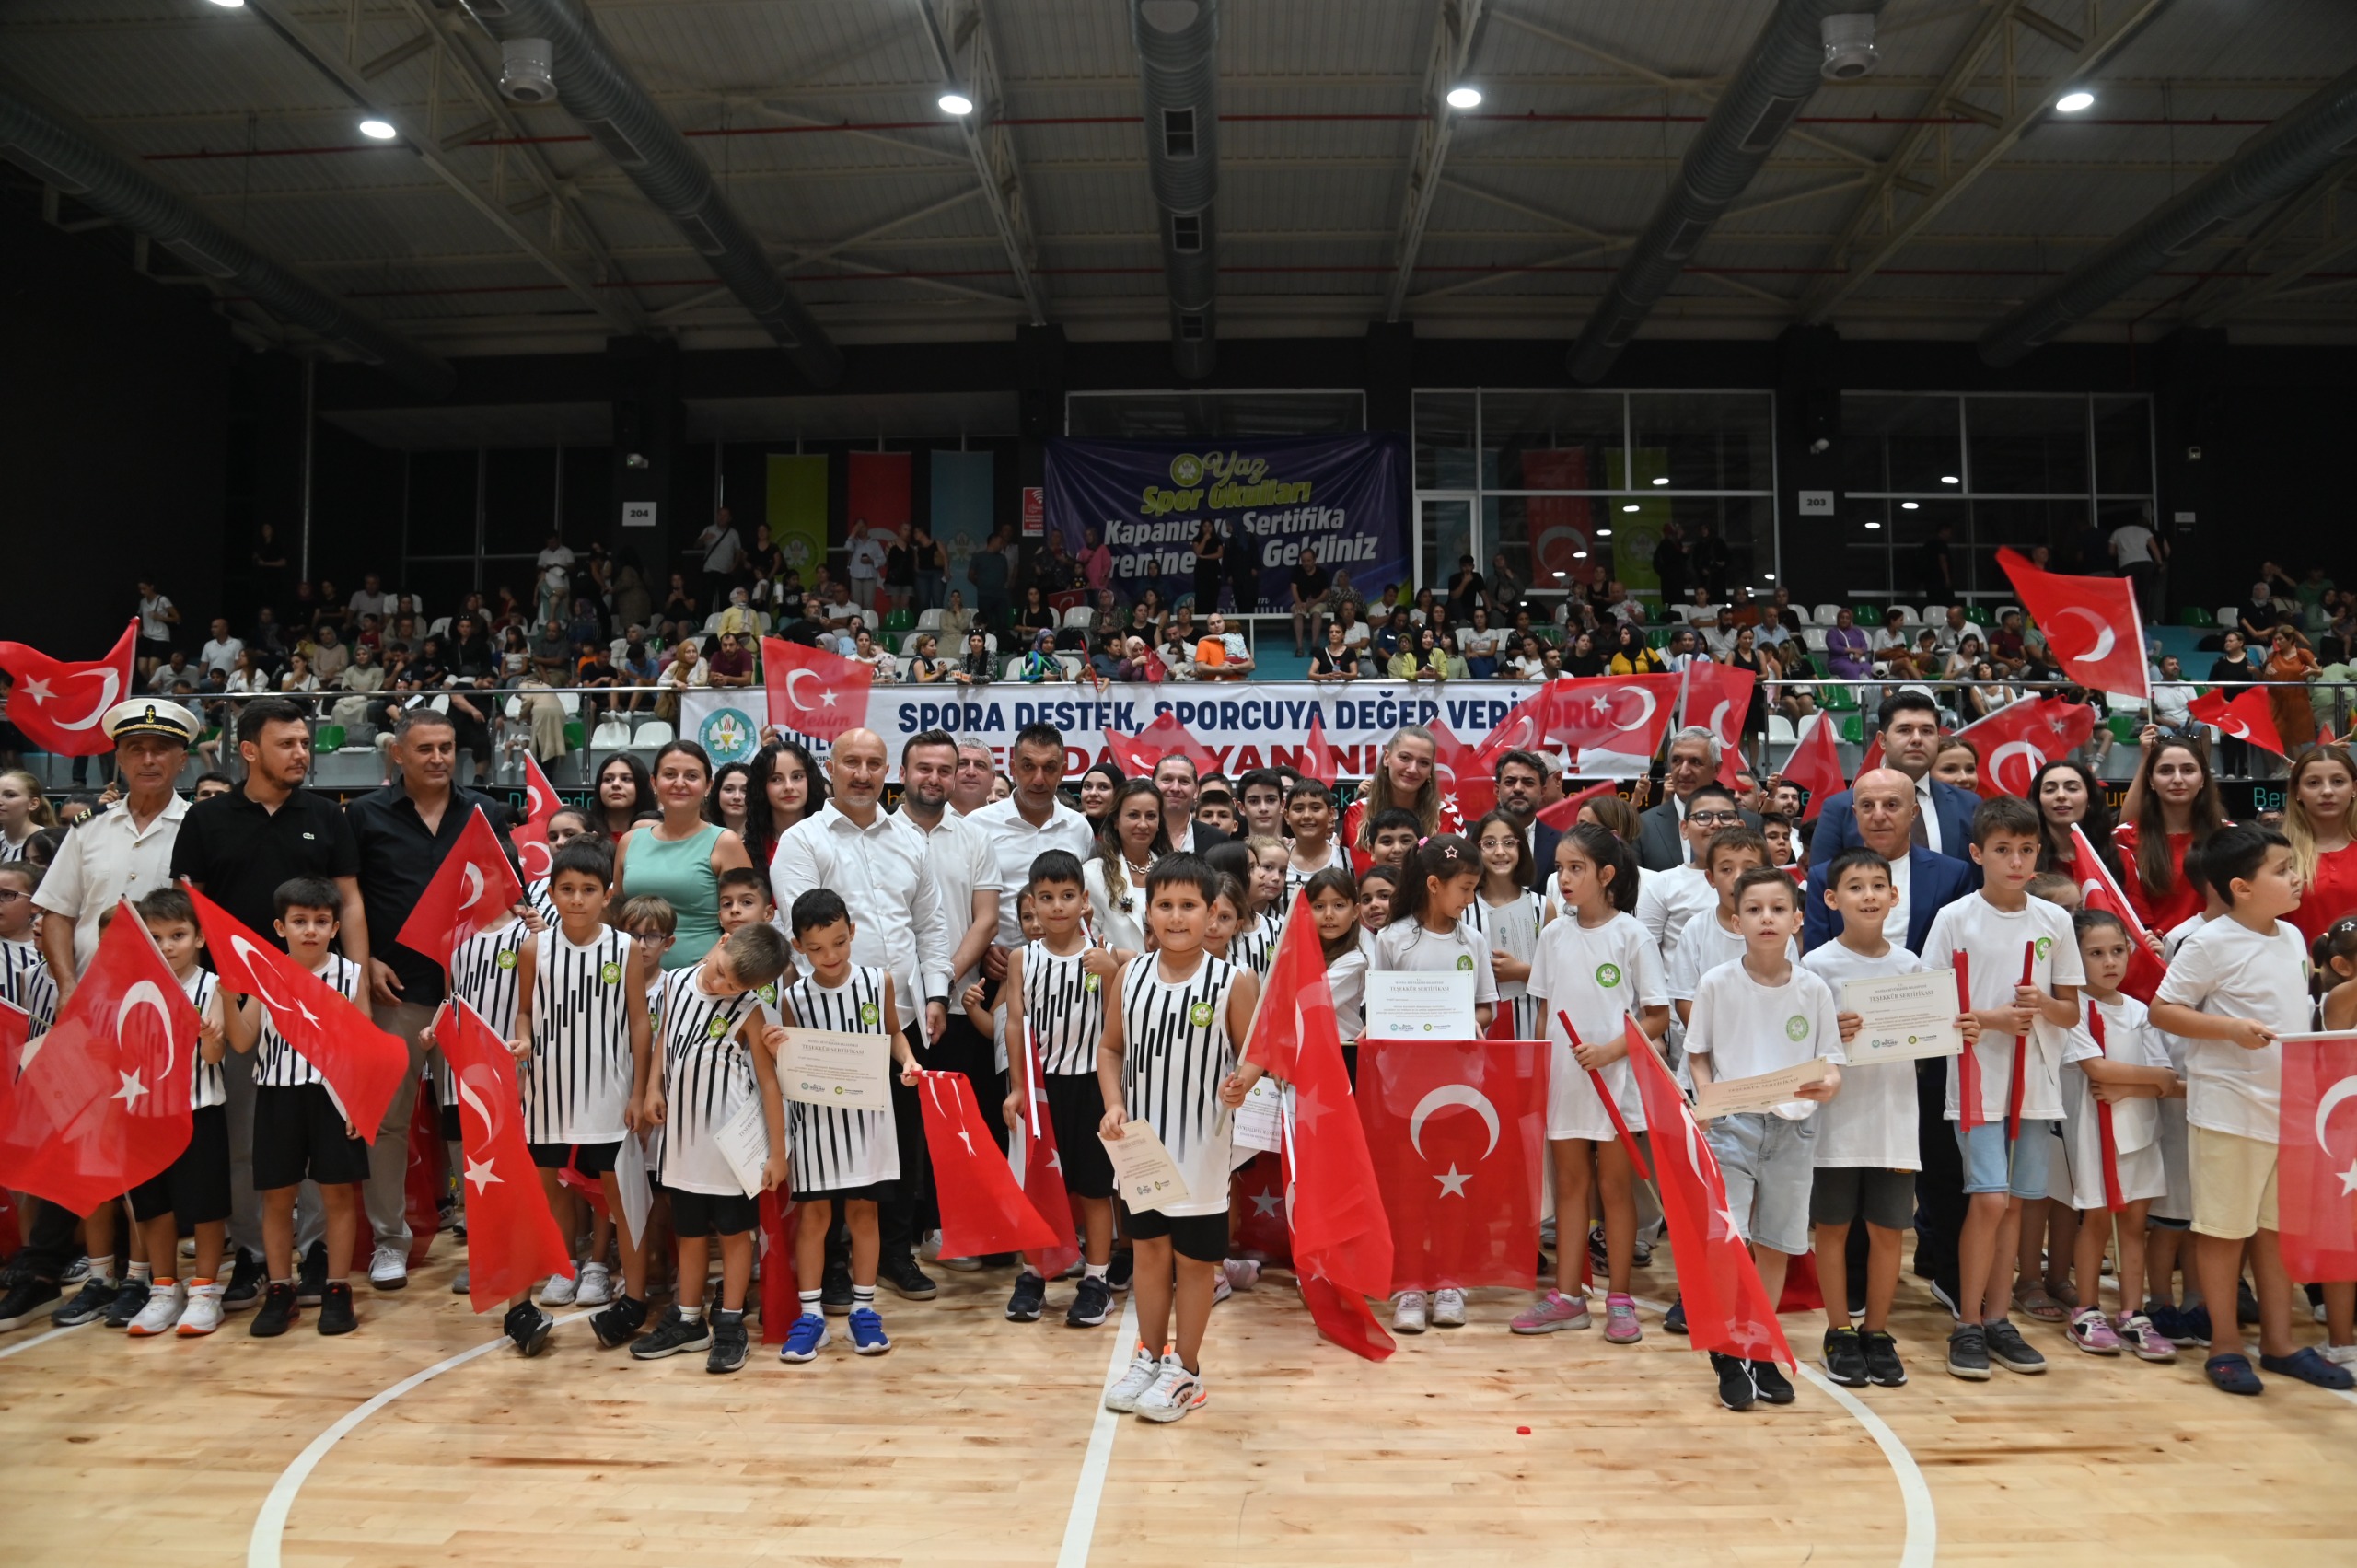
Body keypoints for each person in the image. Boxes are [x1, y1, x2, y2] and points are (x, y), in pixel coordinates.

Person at [2150, 824, 2355, 1395]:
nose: (2296, 878)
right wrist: (2229, 1029)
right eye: (2282, 871)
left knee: (2275, 1231)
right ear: (2241, 887)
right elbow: (2163, 1010)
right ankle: (2225, 1345)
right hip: (2230, 1111)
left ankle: (2280, 1343)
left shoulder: (2292, 937)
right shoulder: (2209, 943)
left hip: (2288, 1109)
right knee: (2223, 1231)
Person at [771, 729, 954, 1299]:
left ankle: (895, 1256)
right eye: (851, 761)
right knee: (828, 1148)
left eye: (874, 763)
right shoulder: (802, 841)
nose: (863, 773)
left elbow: (931, 926)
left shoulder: (910, 840)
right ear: (830, 768)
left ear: (887, 772)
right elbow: (801, 933)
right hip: (827, 1028)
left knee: (897, 1147)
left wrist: (936, 994)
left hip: (900, 1019)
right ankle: (830, 1267)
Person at [1926, 796, 2088, 1383]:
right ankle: (1967, 1321)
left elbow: (2070, 1011)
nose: (2016, 861)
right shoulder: (1955, 918)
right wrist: (1991, 1019)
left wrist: (2042, 1002)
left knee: (2016, 1204)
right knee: (1990, 1199)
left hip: (2036, 1083)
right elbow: (1931, 1006)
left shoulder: (2054, 922)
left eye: (2025, 850)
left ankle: (1998, 1319)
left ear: (2038, 854)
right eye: (2002, 850)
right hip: (1976, 1082)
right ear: (1978, 854)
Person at [1096, 854, 1262, 1424]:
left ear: (1213, 913)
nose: (1176, 916)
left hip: (1203, 1152)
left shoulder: (1233, 981)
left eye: (1189, 906)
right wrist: (1113, 1103)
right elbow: (1110, 1049)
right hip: (1141, 1148)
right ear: (1148, 912)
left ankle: (1186, 1369)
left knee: (1193, 1262)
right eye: (1164, 905)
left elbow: (1255, 1052)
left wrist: (1243, 1081)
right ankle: (1149, 1356)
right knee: (1148, 1253)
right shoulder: (1129, 976)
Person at [1806, 850, 1976, 1390]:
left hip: (1894, 1122)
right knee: (1832, 1230)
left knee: (1887, 1232)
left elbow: (1933, 1037)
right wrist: (1831, 1033)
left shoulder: (1912, 968)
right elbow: (1800, 1043)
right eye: (1855, 886)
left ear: (1894, 896)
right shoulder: (1815, 967)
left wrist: (1958, 1030)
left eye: (1878, 885)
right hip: (1835, 1125)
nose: (1869, 895)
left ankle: (1877, 1333)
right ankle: (1838, 1331)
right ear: (1832, 899)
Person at [1686, 866, 1843, 1411]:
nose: (1767, 918)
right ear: (1736, 922)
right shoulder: (1716, 983)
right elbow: (1698, 1055)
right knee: (1730, 1242)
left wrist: (1829, 1085)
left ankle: (1759, 1343)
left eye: (1778, 908)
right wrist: (1708, 1099)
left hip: (1794, 1129)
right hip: (1733, 1126)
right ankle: (1728, 1347)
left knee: (1776, 1243)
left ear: (1798, 919)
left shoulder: (1813, 988)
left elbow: (1831, 1063)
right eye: (1754, 910)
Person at [500, 840, 655, 1356]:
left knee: (622, 1202)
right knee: (536, 1201)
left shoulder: (623, 948)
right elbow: (524, 1010)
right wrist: (523, 1039)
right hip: (547, 1095)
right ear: (551, 893)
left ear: (607, 895)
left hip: (609, 1097)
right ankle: (518, 1307)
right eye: (566, 889)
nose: (577, 899)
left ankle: (634, 1299)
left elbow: (639, 1022)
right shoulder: (533, 949)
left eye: (588, 890)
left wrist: (639, 1090)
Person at [1516, 823, 1665, 1339]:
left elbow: (1656, 1017)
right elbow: (1544, 1012)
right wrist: (1541, 1073)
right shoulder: (1554, 935)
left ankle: (1619, 1298)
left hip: (1615, 1082)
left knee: (1615, 1188)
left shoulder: (1632, 935)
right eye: (1560, 868)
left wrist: (1608, 1053)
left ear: (1605, 874)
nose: (1563, 878)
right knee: (1571, 1187)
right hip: (1565, 1082)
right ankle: (1567, 1297)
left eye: (1575, 868)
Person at [628, 922, 794, 1371]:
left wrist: (777, 1154)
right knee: (689, 1233)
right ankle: (687, 1320)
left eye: (735, 985)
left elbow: (769, 1084)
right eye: (721, 972)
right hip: (682, 1144)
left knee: (735, 1236)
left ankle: (730, 1321)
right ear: (721, 943)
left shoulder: (750, 1011)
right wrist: (653, 1088)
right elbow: (664, 1039)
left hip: (730, 1151)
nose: (722, 986)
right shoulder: (677, 982)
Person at [768, 889, 922, 1367]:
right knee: (814, 1219)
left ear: (852, 931)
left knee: (864, 1215)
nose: (830, 955)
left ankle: (864, 1309)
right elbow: (792, 1060)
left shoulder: (879, 981)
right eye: (816, 948)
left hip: (868, 1121)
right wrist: (776, 1048)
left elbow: (893, 1032)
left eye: (838, 942)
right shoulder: (792, 997)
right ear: (798, 946)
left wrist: (908, 1060)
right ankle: (811, 1315)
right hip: (815, 1125)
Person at [223, 877, 372, 1338]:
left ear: (334, 928)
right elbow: (243, 1041)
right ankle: (280, 1290)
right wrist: (227, 999)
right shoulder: (264, 974)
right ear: (280, 926)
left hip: (333, 1095)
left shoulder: (350, 975)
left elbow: (363, 1043)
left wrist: (359, 1100)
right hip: (277, 1094)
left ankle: (337, 1288)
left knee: (337, 1195)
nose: (310, 930)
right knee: (277, 1197)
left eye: (321, 921)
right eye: (300, 921)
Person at [1373, 836, 1497, 1333]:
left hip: (1460, 1092)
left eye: (1473, 889)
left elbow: (1486, 1007)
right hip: (1404, 1093)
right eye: (1464, 888)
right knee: (1409, 1192)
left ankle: (1448, 1280)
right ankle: (1409, 1284)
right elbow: (1379, 1010)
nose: (1469, 898)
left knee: (1452, 1187)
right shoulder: (1392, 940)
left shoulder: (1474, 943)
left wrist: (1469, 1021)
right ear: (1432, 884)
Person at [998, 850, 1119, 1327]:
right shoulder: (1021, 958)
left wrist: (1113, 973)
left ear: (1084, 900)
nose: (1057, 906)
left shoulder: (1102, 953)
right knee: (1040, 1188)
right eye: (1046, 897)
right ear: (1032, 903)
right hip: (1042, 1090)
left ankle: (1097, 1279)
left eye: (1067, 896)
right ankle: (1033, 1273)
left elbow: (1118, 1023)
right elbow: (1015, 1024)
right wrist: (1017, 1087)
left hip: (1092, 1086)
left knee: (1094, 1189)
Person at [2058, 908, 2183, 1362]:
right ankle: (2086, 1311)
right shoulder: (2072, 1010)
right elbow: (2097, 1069)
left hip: (2141, 1128)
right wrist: (2148, 1080)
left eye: (2117, 951)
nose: (2109, 962)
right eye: (2095, 954)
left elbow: (2166, 1079)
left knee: (2134, 1224)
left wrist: (2131, 1086)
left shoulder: (2139, 1011)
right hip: (2095, 1130)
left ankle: (2132, 1313)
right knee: (2095, 1220)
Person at [115, 889, 232, 1338]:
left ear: (199, 937)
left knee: (205, 1206)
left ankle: (205, 1291)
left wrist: (210, 1036)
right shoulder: (131, 985)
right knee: (153, 1207)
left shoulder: (212, 986)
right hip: (143, 1114)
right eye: (156, 937)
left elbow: (215, 1057)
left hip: (199, 1110)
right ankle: (164, 1289)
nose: (167, 946)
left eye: (178, 935)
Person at [1805, 691, 1980, 878]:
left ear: (1938, 741)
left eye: (1927, 731)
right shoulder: (1840, 808)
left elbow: (1979, 880)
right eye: (1905, 730)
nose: (1917, 739)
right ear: (1882, 740)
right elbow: (1823, 883)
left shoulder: (1968, 804)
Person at [614, 741, 753, 971]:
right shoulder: (629, 842)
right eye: (670, 774)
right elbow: (616, 916)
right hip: (634, 976)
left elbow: (747, 922)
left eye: (691, 776)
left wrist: (697, 975)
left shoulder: (725, 842)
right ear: (654, 782)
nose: (680, 783)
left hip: (705, 980)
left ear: (708, 786)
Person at [2114, 731, 2228, 935]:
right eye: (2166, 770)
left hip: (2217, 950)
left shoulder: (2230, 837)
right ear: (2151, 781)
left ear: (2203, 779)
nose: (2177, 779)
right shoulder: (2123, 839)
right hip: (2151, 950)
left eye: (2188, 770)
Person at [1637, 727, 1764, 871]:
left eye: (1695, 762)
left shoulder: (1751, 823)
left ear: (1716, 769)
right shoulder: (1643, 825)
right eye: (1676, 761)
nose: (1684, 771)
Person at [1466, 812, 1544, 1038]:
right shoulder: (1462, 909)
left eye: (1509, 843)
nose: (1500, 851)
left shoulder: (1542, 907)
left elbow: (1560, 977)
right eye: (1489, 843)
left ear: (1522, 848)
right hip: (1478, 1029)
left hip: (1532, 1025)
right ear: (1476, 850)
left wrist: (1524, 972)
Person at [1341, 724, 1457, 854]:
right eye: (1405, 758)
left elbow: (1462, 866)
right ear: (1387, 758)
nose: (1413, 769)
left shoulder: (1448, 814)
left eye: (1424, 763)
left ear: (1430, 770)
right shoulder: (1357, 812)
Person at [2283, 743, 2357, 947]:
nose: (2327, 791)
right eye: (2313, 782)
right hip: (2297, 966)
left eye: (2338, 781)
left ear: (2354, 788)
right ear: (2297, 791)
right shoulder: (2276, 855)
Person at [2263, 628, 2320, 758]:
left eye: (2280, 639)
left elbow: (2320, 672)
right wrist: (2267, 672)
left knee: (2294, 737)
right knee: (2276, 734)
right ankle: (2284, 765)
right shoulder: (2273, 656)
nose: (2277, 642)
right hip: (2276, 699)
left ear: (2290, 639)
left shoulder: (2303, 653)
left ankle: (2297, 765)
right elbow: (2265, 680)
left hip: (2296, 698)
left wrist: (2311, 672)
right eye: (2276, 639)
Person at [1288, 548, 1329, 656]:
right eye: (1303, 561)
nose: (1306, 563)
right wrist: (1298, 602)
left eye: (1308, 560)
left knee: (1316, 613)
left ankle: (1315, 646)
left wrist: (1315, 601)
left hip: (1318, 602)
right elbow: (1293, 587)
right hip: (1300, 602)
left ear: (1314, 560)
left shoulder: (1322, 573)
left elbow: (1326, 592)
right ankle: (1299, 648)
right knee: (1298, 614)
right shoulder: (1297, 571)